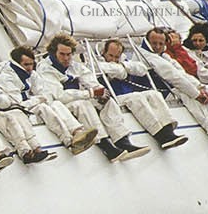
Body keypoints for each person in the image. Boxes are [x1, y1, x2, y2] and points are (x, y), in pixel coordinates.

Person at [32, 33, 150, 162]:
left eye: (69, 54)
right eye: (62, 54)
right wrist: (90, 94)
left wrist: (101, 92)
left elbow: (90, 80)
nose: (66, 58)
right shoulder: (45, 69)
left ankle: (122, 141)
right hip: (60, 106)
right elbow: (59, 96)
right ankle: (106, 146)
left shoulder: (74, 65)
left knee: (108, 102)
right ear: (53, 53)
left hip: (77, 99)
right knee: (84, 104)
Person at [0, 45, 97, 154]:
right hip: (17, 111)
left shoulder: (31, 74)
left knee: (55, 104)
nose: (30, 68)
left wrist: (39, 98)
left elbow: (45, 93)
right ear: (17, 64)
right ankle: (68, 141)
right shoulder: (7, 78)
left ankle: (77, 132)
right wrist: (38, 99)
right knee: (43, 107)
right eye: (26, 65)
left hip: (30, 105)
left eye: (31, 64)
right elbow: (16, 103)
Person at [141, 28, 208, 139]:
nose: (158, 47)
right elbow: (174, 77)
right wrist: (197, 94)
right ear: (147, 41)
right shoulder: (148, 56)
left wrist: (200, 87)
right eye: (154, 43)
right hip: (157, 92)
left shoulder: (163, 55)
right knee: (187, 95)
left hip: (169, 89)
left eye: (161, 43)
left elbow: (181, 72)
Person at [98, 39, 187, 149]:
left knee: (153, 94)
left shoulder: (123, 63)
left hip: (126, 94)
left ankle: (168, 130)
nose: (113, 60)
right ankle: (160, 135)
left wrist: (123, 65)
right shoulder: (96, 64)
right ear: (103, 53)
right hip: (113, 98)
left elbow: (142, 69)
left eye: (117, 57)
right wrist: (123, 69)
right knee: (136, 97)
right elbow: (116, 72)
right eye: (110, 56)